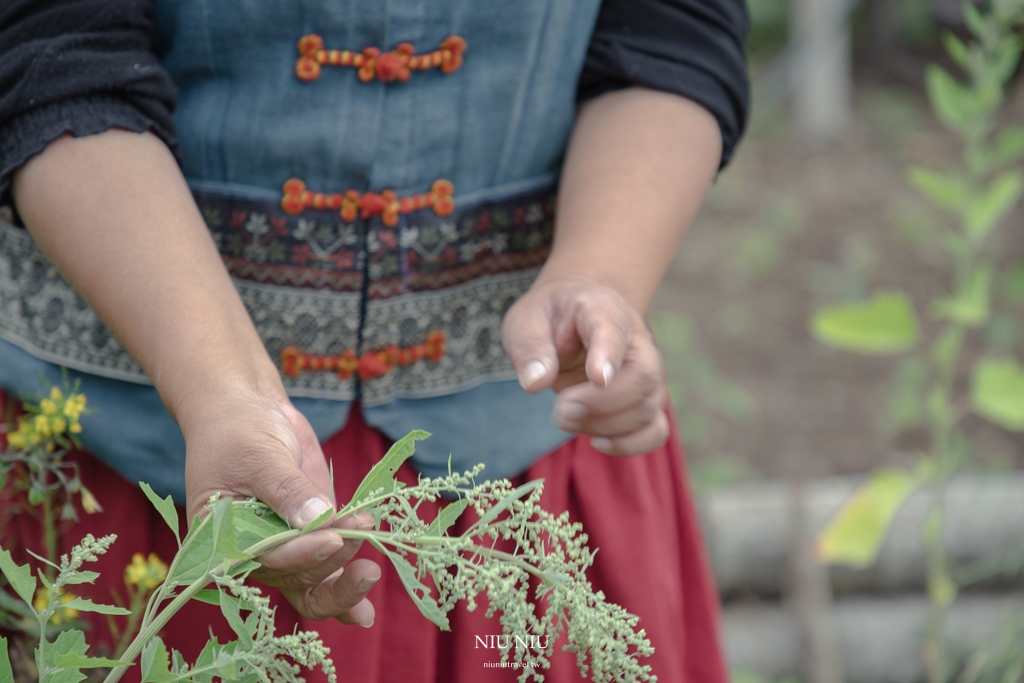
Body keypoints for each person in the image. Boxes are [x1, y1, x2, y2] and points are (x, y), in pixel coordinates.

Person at [0, 0, 748, 680]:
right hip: (145, 474)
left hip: (520, 498)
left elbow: (668, 31)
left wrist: (600, 273)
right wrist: (221, 390)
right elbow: (53, 51)